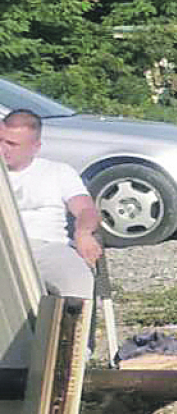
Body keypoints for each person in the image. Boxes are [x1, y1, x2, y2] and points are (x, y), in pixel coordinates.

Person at [2, 108, 100, 299]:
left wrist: (83, 233)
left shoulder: (57, 172)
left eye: (12, 144)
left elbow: (86, 210)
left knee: (77, 281)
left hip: (45, 247)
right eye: (0, 141)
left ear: (35, 147)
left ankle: (68, 327)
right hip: (3, 248)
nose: (3, 149)